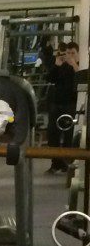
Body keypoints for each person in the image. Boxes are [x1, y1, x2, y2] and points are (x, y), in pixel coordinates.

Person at [46, 41, 80, 172]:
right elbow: (50, 78)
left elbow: (81, 80)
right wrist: (57, 65)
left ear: (77, 54)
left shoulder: (79, 67)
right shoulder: (62, 66)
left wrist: (74, 65)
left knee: (68, 136)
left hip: (70, 104)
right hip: (57, 103)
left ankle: (66, 163)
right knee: (53, 135)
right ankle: (55, 163)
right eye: (68, 53)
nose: (70, 56)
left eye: (73, 53)